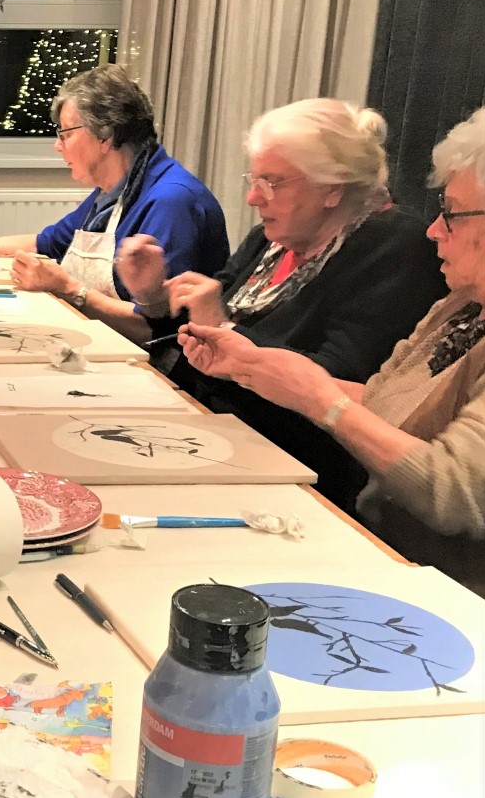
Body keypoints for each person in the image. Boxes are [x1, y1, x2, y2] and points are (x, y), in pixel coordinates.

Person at [176, 108, 485, 595]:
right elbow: (381, 396)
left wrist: (318, 397)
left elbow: (450, 493)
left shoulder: (396, 249)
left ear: (332, 190)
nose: (434, 230)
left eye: (451, 212)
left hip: (439, 580)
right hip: (371, 535)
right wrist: (250, 364)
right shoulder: (462, 306)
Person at [118, 98, 446, 506]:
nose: (253, 198)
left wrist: (223, 329)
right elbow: (194, 340)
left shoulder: (395, 248)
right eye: (254, 179)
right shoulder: (272, 240)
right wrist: (152, 297)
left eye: (272, 182)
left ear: (332, 188)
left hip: (299, 478)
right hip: (213, 438)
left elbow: (332, 388)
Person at [0, 65, 228, 340]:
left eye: (65, 134)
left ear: (105, 136)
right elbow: (49, 243)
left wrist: (69, 290)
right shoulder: (114, 191)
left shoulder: (171, 201)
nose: (57, 146)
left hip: (161, 369)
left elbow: (155, 327)